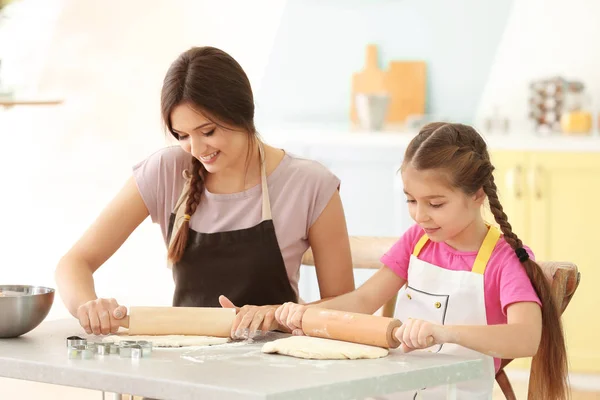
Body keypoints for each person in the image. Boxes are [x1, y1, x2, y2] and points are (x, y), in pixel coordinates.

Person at [55, 46, 355, 339]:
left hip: (272, 370)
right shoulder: (166, 171)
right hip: (184, 367)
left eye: (208, 131)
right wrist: (88, 307)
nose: (197, 150)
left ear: (243, 113)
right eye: (182, 136)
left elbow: (346, 307)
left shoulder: (309, 183)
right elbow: (74, 263)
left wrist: (278, 314)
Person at [274, 123, 568, 399]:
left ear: (478, 194)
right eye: (411, 200)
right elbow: (364, 299)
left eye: (436, 204)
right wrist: (305, 314)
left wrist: (445, 333)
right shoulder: (418, 240)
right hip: (397, 389)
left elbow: (526, 338)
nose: (419, 215)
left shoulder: (503, 259)